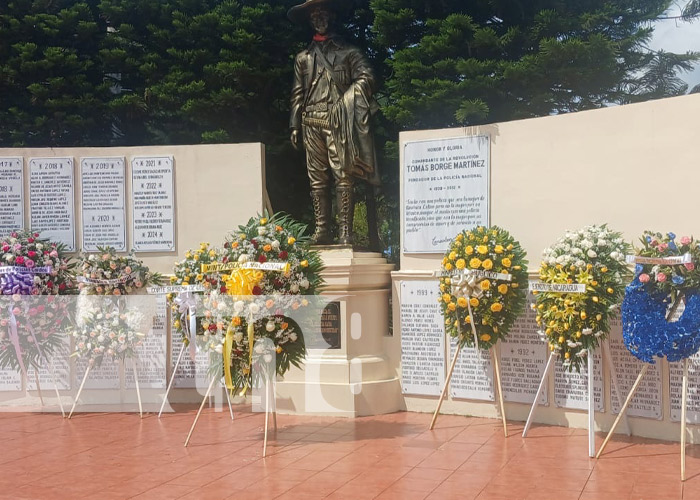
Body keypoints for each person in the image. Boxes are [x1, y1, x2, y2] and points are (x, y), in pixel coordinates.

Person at [288, 0, 380, 246]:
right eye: (314, 15)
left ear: (331, 17)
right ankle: (321, 230)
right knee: (317, 178)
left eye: (323, 13)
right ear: (309, 21)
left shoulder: (349, 53)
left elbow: (367, 78)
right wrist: (295, 124)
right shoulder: (303, 58)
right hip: (310, 121)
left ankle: (345, 232)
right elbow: (297, 93)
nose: (319, 19)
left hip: (338, 120)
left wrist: (347, 100)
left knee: (343, 175)